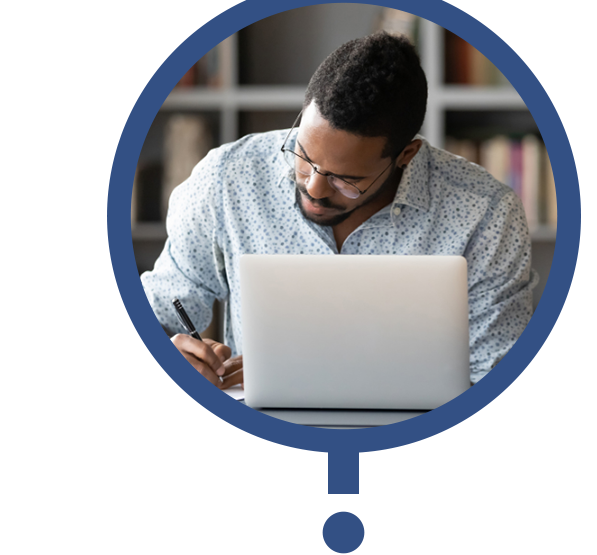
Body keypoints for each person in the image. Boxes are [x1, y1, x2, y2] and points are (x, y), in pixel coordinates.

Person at [141, 31, 538, 388]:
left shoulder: (486, 214)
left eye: (344, 178)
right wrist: (169, 355)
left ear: (406, 155)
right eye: (303, 154)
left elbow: (499, 378)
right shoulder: (228, 177)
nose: (313, 187)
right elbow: (153, 316)